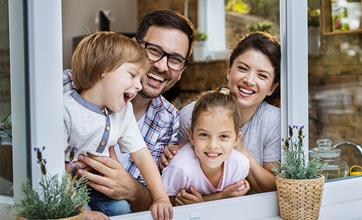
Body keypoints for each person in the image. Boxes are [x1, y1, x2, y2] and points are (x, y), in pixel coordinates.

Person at [63, 10, 194, 216]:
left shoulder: (168, 120)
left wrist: (134, 190)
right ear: (135, 46)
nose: (161, 65)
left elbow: (152, 196)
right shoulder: (66, 89)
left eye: (176, 59)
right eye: (154, 50)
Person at [161, 32, 281, 197]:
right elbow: (181, 190)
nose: (249, 80)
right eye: (242, 68)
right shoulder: (191, 116)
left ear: (272, 88)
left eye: (262, 75)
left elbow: (274, 188)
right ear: (228, 70)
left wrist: (241, 150)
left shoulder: (272, 120)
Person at [161, 88, 250, 205]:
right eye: (204, 135)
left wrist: (204, 202)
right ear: (191, 136)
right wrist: (214, 199)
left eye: (223, 136)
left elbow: (231, 207)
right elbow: (164, 203)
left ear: (236, 140)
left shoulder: (239, 165)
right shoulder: (180, 168)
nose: (213, 145)